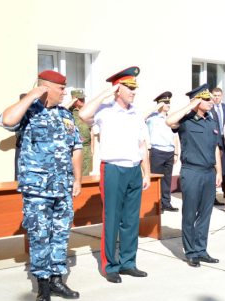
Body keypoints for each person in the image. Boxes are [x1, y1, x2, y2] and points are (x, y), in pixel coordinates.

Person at [0, 71, 83, 301]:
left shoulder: (66, 115)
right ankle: (42, 285)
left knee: (61, 234)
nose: (64, 92)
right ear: (46, 88)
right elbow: (7, 120)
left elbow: (76, 147)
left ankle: (57, 281)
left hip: (63, 188)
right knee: (39, 235)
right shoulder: (28, 111)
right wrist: (31, 96)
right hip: (37, 190)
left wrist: (77, 179)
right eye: (61, 88)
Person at [78, 66, 151, 283]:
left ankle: (128, 262)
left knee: (131, 220)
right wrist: (104, 94)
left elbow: (142, 144)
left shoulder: (137, 113)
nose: (134, 91)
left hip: (134, 169)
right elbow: (83, 114)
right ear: (117, 89)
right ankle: (110, 266)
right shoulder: (104, 111)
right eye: (129, 88)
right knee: (112, 219)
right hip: (113, 169)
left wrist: (146, 172)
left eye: (134, 88)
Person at [165, 84, 223, 267]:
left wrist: (219, 171)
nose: (211, 102)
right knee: (190, 213)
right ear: (196, 101)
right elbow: (169, 121)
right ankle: (191, 252)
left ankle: (201, 250)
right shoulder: (186, 120)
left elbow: (215, 148)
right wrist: (189, 106)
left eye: (211, 98)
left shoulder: (211, 121)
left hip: (209, 172)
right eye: (206, 99)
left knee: (205, 214)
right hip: (192, 171)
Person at [144, 91, 179, 213]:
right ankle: (157, 204)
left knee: (167, 179)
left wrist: (176, 153)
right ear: (160, 104)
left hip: (169, 151)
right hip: (157, 151)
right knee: (156, 179)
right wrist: (155, 108)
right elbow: (141, 118)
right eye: (165, 103)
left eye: (169, 102)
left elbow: (175, 137)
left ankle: (166, 203)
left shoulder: (171, 118)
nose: (168, 105)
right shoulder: (152, 118)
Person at [66, 89, 93, 177]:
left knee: (85, 173)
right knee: (74, 172)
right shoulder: (68, 111)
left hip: (86, 146)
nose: (82, 100)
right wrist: (71, 103)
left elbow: (91, 130)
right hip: (73, 147)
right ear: (74, 99)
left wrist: (92, 147)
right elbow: (59, 113)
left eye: (83, 98)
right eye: (80, 99)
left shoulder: (87, 111)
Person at [211, 87, 225, 206]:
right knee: (215, 167)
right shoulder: (209, 108)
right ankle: (213, 196)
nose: (217, 98)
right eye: (215, 95)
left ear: (222, 96)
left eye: (219, 96)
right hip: (215, 140)